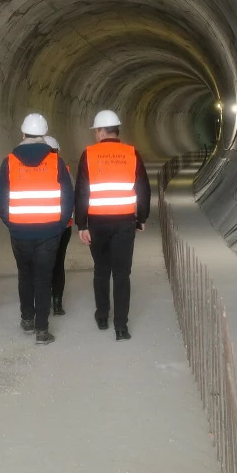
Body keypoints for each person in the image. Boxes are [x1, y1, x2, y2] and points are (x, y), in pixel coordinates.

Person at [0, 115, 73, 345]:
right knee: (43, 278)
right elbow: (67, 197)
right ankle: (42, 330)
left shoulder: (8, 162)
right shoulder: (56, 161)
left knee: (25, 275)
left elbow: (1, 197)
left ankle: (27, 319)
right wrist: (60, 225)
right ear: (44, 135)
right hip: (49, 231)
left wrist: (11, 222)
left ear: (23, 135)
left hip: (19, 231)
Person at [75, 110, 151, 341]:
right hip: (124, 221)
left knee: (101, 269)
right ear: (117, 130)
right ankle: (121, 327)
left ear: (99, 131)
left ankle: (102, 316)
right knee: (121, 274)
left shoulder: (88, 154)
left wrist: (82, 224)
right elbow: (143, 189)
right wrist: (141, 218)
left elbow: (82, 192)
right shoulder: (131, 153)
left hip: (97, 222)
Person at [45, 135, 71, 316]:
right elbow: (72, 197)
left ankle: (44, 300)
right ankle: (57, 302)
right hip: (63, 225)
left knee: (43, 263)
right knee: (58, 262)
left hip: (44, 224)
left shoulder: (38, 170)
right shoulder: (65, 169)